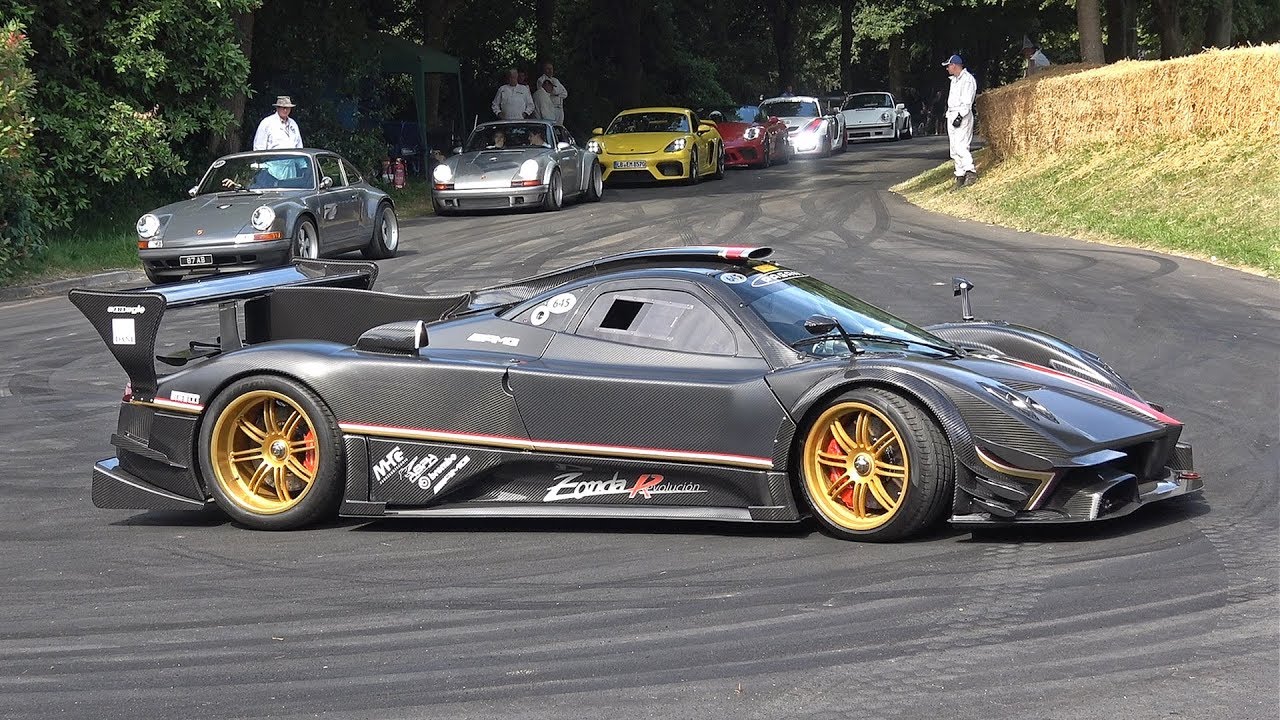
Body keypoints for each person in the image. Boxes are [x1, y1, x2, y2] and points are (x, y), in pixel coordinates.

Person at [943, 54, 977, 188]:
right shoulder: (954, 80)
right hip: (952, 114)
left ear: (954, 65)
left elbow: (967, 101)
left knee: (961, 146)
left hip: (961, 115)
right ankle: (960, 175)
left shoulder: (967, 80)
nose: (947, 69)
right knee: (954, 148)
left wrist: (960, 116)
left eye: (948, 66)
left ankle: (970, 171)